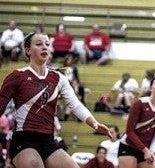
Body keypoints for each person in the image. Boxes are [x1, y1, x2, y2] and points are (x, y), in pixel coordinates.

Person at [0, 32, 112, 168]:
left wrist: (94, 123)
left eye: (47, 44)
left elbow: (75, 104)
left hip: (48, 141)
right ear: (28, 50)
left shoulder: (58, 78)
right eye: (39, 44)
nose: (44, 47)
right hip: (24, 141)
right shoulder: (17, 76)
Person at [118, 76, 155, 168]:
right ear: (150, 88)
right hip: (129, 146)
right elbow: (130, 131)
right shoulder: (139, 103)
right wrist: (146, 150)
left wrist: (151, 152)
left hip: (146, 149)